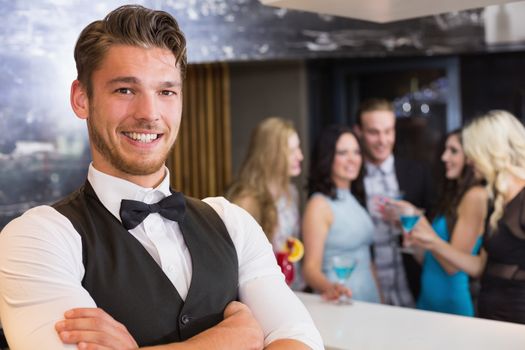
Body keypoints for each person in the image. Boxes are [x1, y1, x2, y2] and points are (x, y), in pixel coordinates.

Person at [0, 5, 323, 350]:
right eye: (125, 90)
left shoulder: (232, 223)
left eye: (166, 92)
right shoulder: (36, 238)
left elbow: (301, 341)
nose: (149, 113)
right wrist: (230, 340)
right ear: (82, 99)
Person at [411, 110, 525, 324]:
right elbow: (479, 267)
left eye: (472, 151)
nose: (470, 160)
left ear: (490, 151)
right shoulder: (496, 201)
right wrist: (430, 241)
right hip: (489, 318)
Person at [353, 98, 434, 306]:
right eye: (374, 132)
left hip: (414, 287)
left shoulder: (418, 172)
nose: (383, 140)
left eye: (389, 131)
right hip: (368, 291)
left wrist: (412, 219)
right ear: (359, 132)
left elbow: (435, 227)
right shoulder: (351, 179)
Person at [406, 129, 487, 316]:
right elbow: (429, 258)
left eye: (453, 151)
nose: (444, 157)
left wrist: (419, 222)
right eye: (445, 150)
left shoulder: (476, 196)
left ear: (470, 156)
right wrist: (413, 238)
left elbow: (451, 267)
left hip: (451, 304)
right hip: (427, 299)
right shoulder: (452, 195)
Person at [302, 125, 381, 303]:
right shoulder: (319, 205)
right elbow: (310, 269)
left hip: (370, 296)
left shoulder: (355, 198)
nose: (352, 159)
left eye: (356, 152)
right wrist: (332, 288)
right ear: (328, 157)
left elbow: (368, 260)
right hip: (340, 299)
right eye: (343, 153)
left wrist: (381, 298)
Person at [227, 117, 304, 289]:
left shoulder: (291, 192)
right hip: (262, 291)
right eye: (291, 151)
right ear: (270, 154)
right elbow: (236, 263)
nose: (300, 156)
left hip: (293, 288)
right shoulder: (246, 201)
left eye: (298, 148)